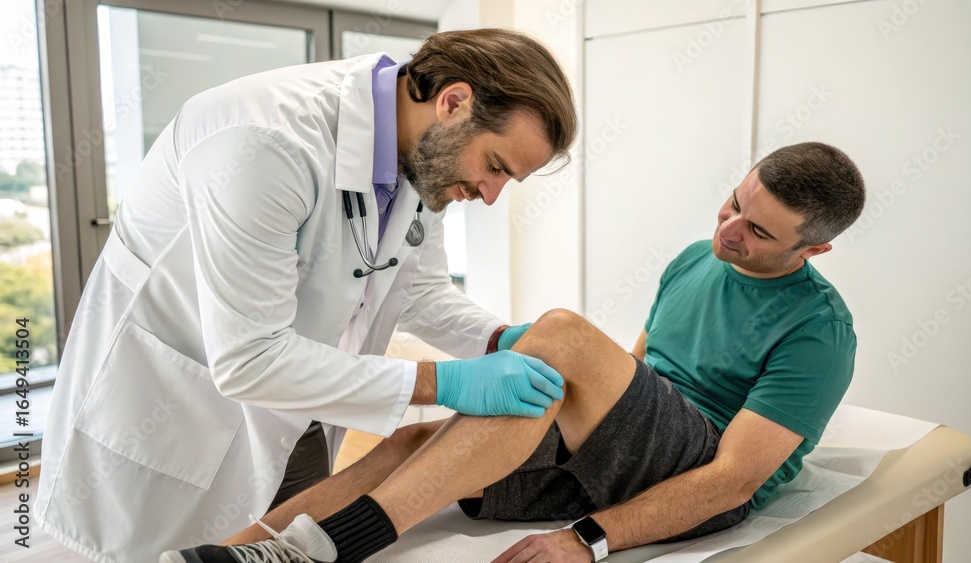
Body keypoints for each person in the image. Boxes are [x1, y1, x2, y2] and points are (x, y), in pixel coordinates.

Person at [161, 142, 866, 563]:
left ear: (815, 248)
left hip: (702, 469)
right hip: (633, 451)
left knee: (558, 332)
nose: (730, 230)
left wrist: (587, 539)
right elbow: (637, 375)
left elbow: (734, 482)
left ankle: (337, 544)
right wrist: (559, 397)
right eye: (734, 203)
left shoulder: (819, 330)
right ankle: (241, 550)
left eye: (759, 231)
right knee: (411, 444)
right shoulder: (694, 258)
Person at [35, 29, 577, 562]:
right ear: (453, 103)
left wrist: (498, 338)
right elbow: (250, 358)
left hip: (303, 402)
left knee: (291, 548)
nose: (489, 195)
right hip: (172, 412)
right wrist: (445, 382)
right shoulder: (265, 142)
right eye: (495, 166)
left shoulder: (421, 157)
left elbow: (418, 289)